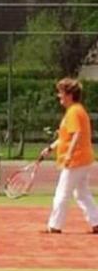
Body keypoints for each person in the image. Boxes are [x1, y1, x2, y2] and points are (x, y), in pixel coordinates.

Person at [41, 77, 98, 234]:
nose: (59, 95)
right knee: (82, 193)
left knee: (62, 192)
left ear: (69, 95)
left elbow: (77, 134)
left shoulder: (74, 112)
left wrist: (69, 155)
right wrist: (51, 148)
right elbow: (65, 136)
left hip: (76, 160)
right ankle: (96, 222)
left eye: (61, 92)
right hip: (83, 159)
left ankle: (55, 225)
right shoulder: (76, 110)